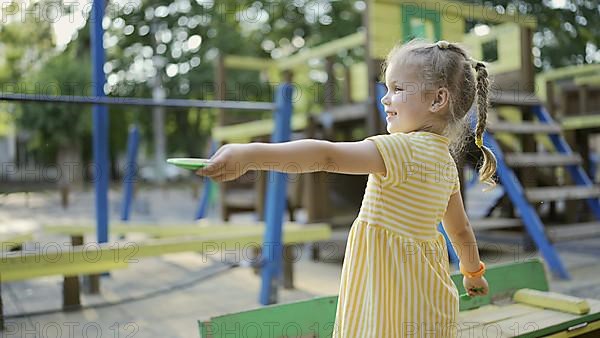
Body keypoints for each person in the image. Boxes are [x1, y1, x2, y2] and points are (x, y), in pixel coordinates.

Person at [196, 39, 494, 337]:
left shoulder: (400, 149)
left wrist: (251, 155)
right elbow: (460, 229)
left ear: (437, 100)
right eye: (387, 89)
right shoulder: (445, 162)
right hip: (427, 296)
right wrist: (472, 273)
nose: (385, 99)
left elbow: (326, 156)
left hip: (390, 297)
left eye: (398, 89)